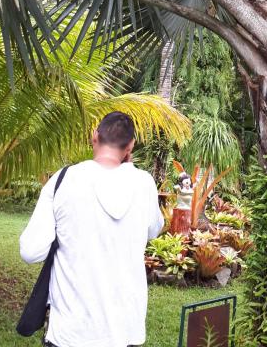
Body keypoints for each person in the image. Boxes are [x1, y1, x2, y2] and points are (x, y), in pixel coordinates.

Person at [20, 111, 164, 347]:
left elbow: (30, 251)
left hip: (70, 332)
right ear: (131, 146)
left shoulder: (64, 179)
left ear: (94, 136)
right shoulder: (144, 183)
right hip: (125, 331)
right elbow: (153, 230)